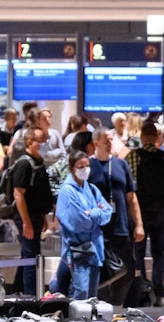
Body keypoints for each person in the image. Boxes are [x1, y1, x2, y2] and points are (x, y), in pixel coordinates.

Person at [88, 127, 143, 304]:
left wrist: (139, 224)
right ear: (96, 142)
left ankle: (117, 303)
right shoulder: (87, 166)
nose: (111, 143)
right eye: (107, 140)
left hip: (121, 227)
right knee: (100, 270)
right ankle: (101, 305)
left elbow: (131, 197)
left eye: (112, 140)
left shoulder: (121, 164)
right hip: (97, 229)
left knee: (127, 269)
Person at [127, 121, 164, 300]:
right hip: (160, 210)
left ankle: (142, 287)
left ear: (141, 137)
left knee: (138, 251)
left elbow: (129, 184)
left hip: (140, 210)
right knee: (158, 252)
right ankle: (157, 288)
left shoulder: (133, 156)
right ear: (156, 137)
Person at [56, 150, 113, 299]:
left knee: (92, 295)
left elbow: (108, 212)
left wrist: (92, 213)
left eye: (87, 166)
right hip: (78, 250)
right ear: (72, 168)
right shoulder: (67, 191)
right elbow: (78, 222)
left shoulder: (92, 189)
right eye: (81, 167)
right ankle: (77, 321)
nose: (85, 170)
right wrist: (96, 215)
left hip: (95, 249)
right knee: (81, 292)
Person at [13, 125, 55, 295]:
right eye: (41, 140)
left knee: (28, 254)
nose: (45, 143)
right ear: (30, 142)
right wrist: (26, 222)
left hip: (36, 216)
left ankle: (17, 291)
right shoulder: (24, 164)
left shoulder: (38, 163)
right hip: (27, 217)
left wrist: (43, 216)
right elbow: (18, 194)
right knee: (31, 257)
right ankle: (30, 296)